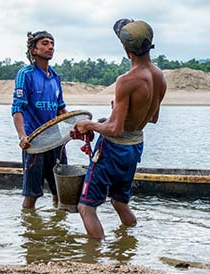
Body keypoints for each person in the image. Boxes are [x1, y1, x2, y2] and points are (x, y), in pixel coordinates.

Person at [73, 19, 167, 240]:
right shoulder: (159, 77)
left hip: (114, 149)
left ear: (126, 50)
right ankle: (129, 246)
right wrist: (118, 110)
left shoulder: (126, 80)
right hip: (135, 148)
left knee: (85, 208)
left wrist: (89, 125)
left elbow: (115, 130)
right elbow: (152, 118)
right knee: (119, 202)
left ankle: (97, 257)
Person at [11, 31, 68, 209]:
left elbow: (61, 109)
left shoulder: (55, 77)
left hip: (56, 142)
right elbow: (17, 108)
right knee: (32, 195)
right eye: (45, 43)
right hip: (34, 142)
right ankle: (29, 233)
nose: (50, 47)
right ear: (33, 50)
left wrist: (79, 124)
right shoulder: (25, 74)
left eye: (52, 44)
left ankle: (57, 229)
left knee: (61, 192)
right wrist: (22, 136)